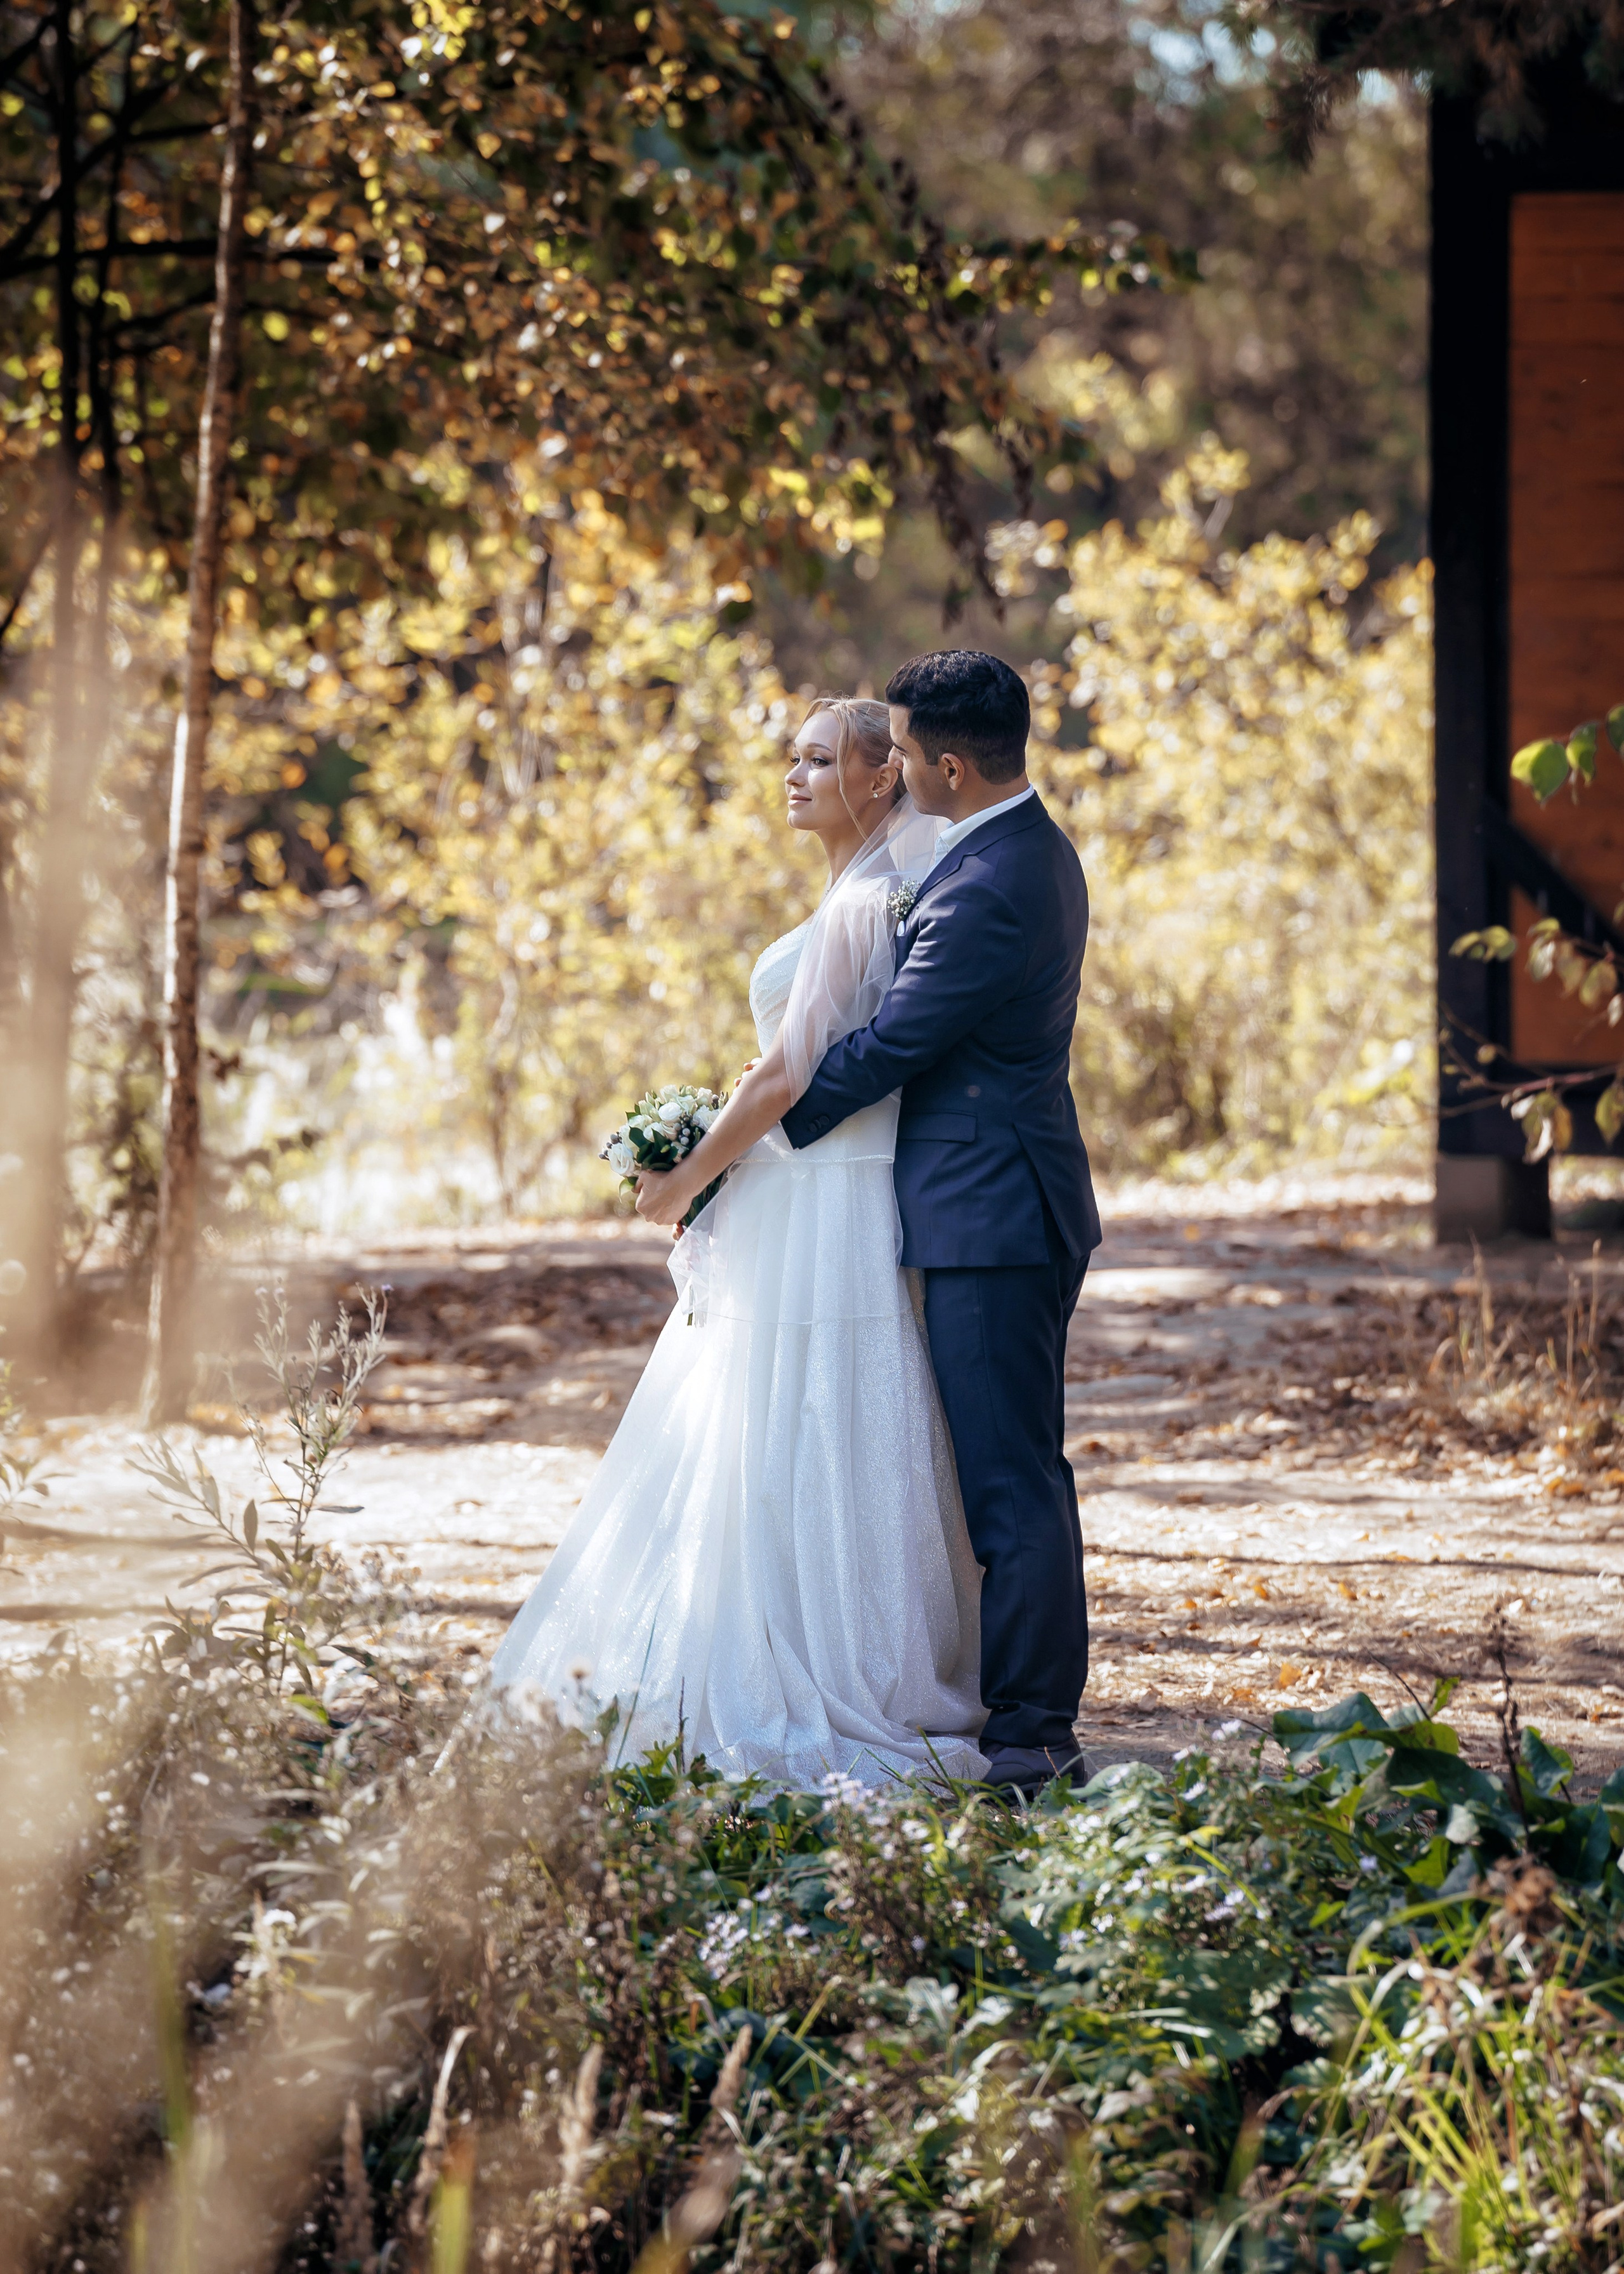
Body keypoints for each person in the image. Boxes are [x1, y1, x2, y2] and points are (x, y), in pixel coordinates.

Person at [490, 696, 986, 1786]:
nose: (794, 777)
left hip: (827, 1193)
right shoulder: (865, 891)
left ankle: (818, 1657)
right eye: (792, 758)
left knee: (810, 1405)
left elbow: (787, 1074)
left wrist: (683, 1176)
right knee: (794, 1405)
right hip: (815, 1186)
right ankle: (811, 1625)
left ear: (878, 779)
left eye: (820, 761)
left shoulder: (866, 904)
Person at [778, 652, 1101, 1799]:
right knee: (1002, 1476)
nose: (896, 770)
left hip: (995, 1214)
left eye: (905, 753)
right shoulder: (999, 851)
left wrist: (748, 1142)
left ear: (950, 765)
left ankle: (1031, 1731)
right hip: (989, 1202)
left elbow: (890, 1047)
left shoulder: (992, 883)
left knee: (1012, 1483)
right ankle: (1015, 1708)